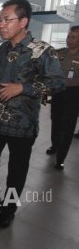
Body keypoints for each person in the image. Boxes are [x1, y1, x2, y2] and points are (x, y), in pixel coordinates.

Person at [0, 0, 64, 228]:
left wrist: (24, 88)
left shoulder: (42, 50)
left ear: (23, 22)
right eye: (0, 20)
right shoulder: (3, 49)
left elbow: (58, 82)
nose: (1, 25)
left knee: (16, 169)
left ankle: (8, 209)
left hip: (22, 124)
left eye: (7, 20)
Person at [46, 25, 79, 170]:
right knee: (56, 120)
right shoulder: (59, 53)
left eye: (73, 37)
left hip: (74, 93)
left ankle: (61, 158)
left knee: (68, 126)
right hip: (58, 92)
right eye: (68, 36)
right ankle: (55, 145)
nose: (69, 40)